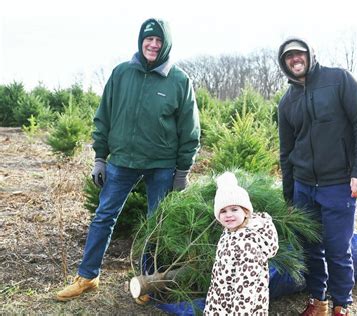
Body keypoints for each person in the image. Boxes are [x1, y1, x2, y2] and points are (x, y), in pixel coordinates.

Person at [56, 18, 200, 302]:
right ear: (141, 41)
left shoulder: (179, 81)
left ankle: (148, 282)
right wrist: (99, 157)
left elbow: (190, 129)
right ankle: (87, 276)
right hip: (121, 160)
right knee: (103, 216)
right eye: (149, 39)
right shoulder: (121, 73)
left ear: (166, 44)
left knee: (155, 224)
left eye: (159, 41)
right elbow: (104, 116)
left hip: (162, 164)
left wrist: (182, 171)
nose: (153, 45)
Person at [277, 37, 357, 316]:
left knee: (337, 248)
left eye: (299, 54)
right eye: (288, 57)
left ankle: (341, 304)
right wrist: (289, 196)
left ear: (309, 54)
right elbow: (286, 152)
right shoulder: (287, 102)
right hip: (304, 186)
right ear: (284, 64)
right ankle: (317, 301)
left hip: (338, 184)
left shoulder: (339, 80)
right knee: (310, 247)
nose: (295, 60)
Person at [204, 172, 279, 315]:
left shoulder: (247, 244)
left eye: (234, 209)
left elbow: (246, 288)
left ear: (246, 212)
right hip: (222, 300)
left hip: (240, 308)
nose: (228, 215)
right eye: (223, 211)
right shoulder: (230, 232)